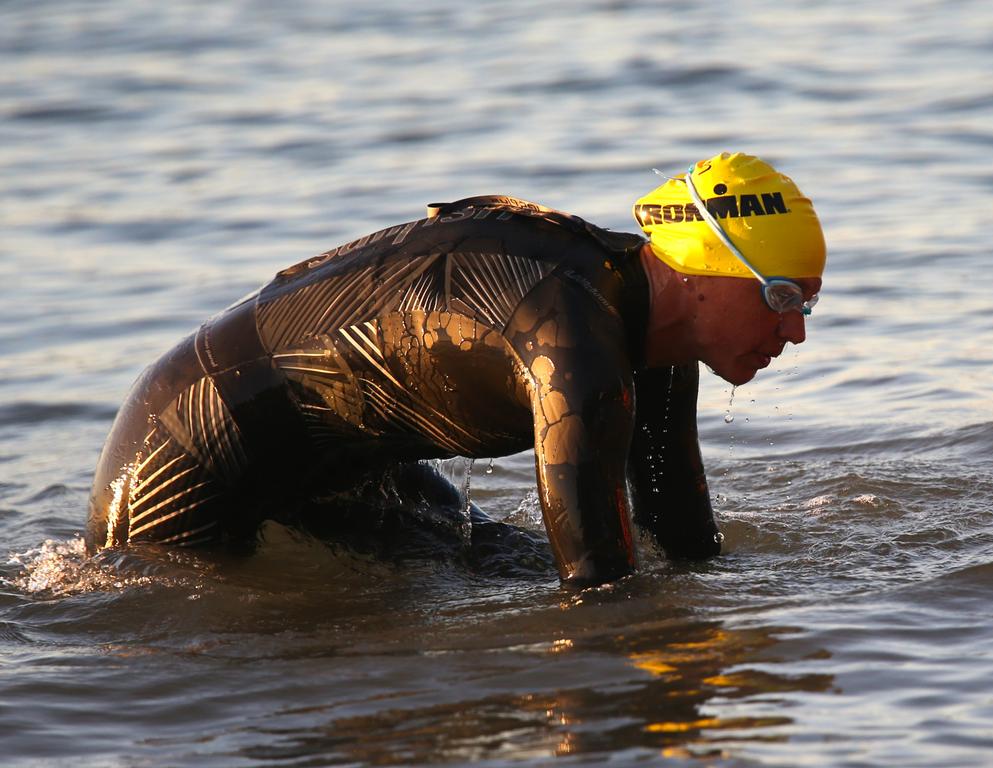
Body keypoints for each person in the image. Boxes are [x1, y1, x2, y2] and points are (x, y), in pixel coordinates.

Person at [85, 151, 826, 585]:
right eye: (780, 298)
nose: (793, 332)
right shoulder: (574, 340)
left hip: (342, 458)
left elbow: (684, 542)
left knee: (501, 572)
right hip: (187, 438)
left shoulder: (659, 339)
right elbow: (599, 590)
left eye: (808, 306)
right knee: (169, 623)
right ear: (700, 273)